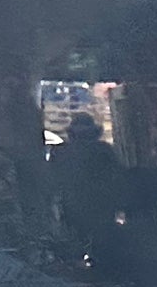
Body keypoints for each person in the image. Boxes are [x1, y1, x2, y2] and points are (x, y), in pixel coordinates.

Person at [46, 110, 127, 277]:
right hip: (80, 210)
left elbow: (117, 181)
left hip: (86, 209)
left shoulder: (100, 151)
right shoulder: (65, 152)